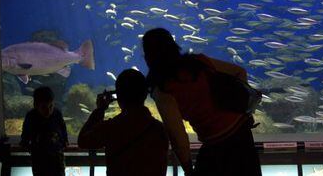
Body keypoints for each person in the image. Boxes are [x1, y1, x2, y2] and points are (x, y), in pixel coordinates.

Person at [143, 28, 260, 176]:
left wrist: (188, 169)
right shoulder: (198, 62)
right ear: (174, 47)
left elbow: (178, 138)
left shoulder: (163, 89)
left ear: (148, 57)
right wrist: (245, 112)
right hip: (243, 139)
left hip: (216, 148)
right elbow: (239, 72)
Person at [78, 69, 169, 176]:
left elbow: (83, 140)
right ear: (145, 94)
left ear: (119, 97)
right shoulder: (159, 129)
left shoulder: (111, 128)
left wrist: (100, 109)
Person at [20, 86, 68, 176]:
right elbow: (25, 135)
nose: (48, 111)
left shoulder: (57, 113)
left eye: (51, 106)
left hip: (57, 158)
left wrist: (65, 141)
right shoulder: (31, 117)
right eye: (44, 107)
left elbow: (63, 128)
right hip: (39, 159)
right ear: (36, 105)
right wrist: (26, 144)